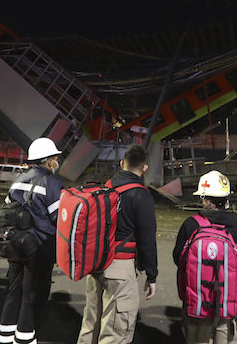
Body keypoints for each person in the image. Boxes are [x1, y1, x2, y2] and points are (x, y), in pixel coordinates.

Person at [76, 144, 158, 344]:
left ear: (122, 164)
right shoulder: (142, 194)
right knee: (116, 330)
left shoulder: (106, 187)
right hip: (120, 267)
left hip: (96, 263)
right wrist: (151, 274)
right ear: (144, 168)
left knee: (91, 322)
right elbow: (147, 239)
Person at [173, 170, 237, 344]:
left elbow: (178, 260)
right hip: (229, 307)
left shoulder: (191, 225)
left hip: (197, 304)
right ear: (226, 200)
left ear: (204, 198)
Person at [0, 138, 64, 344]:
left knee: (14, 288)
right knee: (32, 292)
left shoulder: (19, 179)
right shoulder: (52, 183)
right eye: (55, 158)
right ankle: (25, 337)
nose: (56, 161)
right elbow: (58, 217)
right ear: (48, 160)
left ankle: (5, 334)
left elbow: (7, 206)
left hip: (15, 241)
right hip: (39, 245)